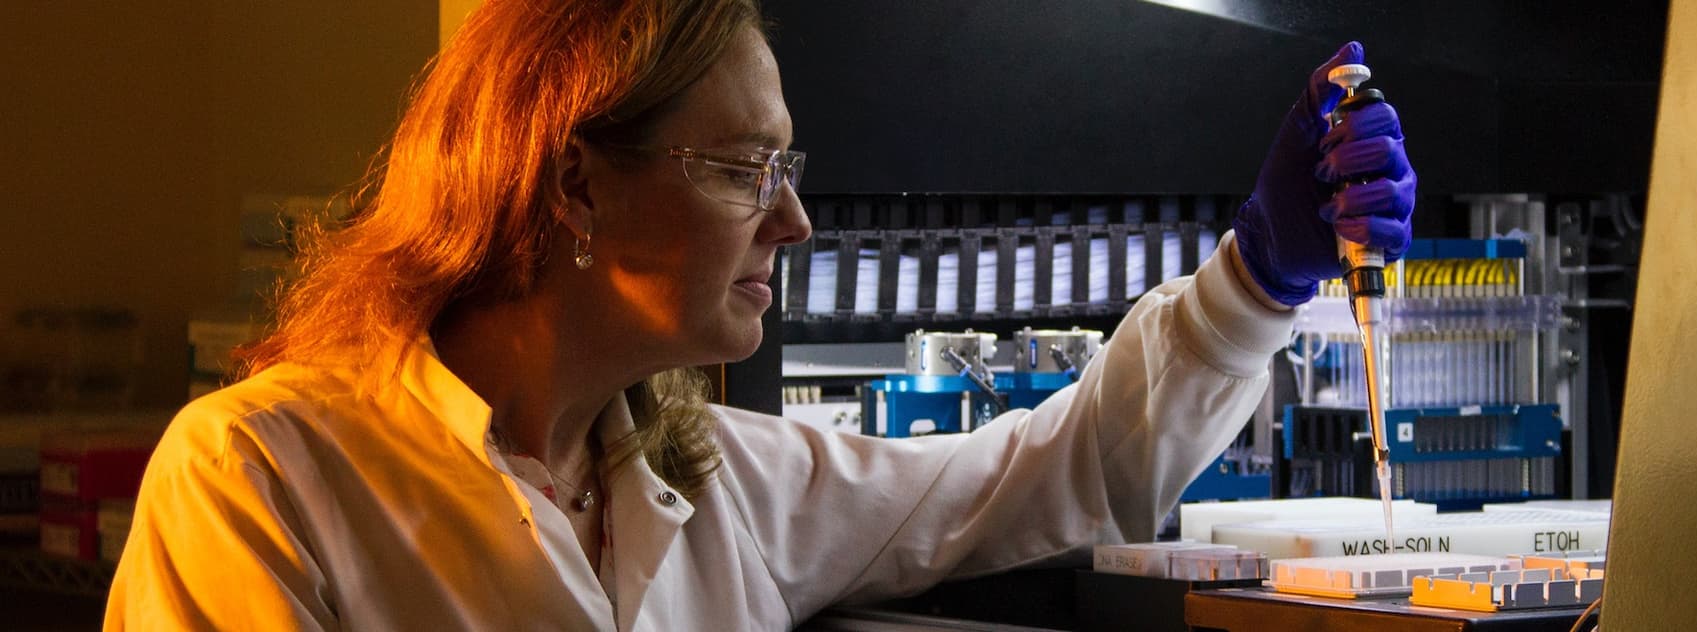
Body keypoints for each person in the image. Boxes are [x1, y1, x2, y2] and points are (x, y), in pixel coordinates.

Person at [103, 0, 1414, 629]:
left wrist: (1260, 275)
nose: (794, 224)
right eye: (746, 171)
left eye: (791, 171)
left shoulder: (715, 480)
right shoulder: (261, 479)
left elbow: (1050, 469)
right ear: (574, 183)